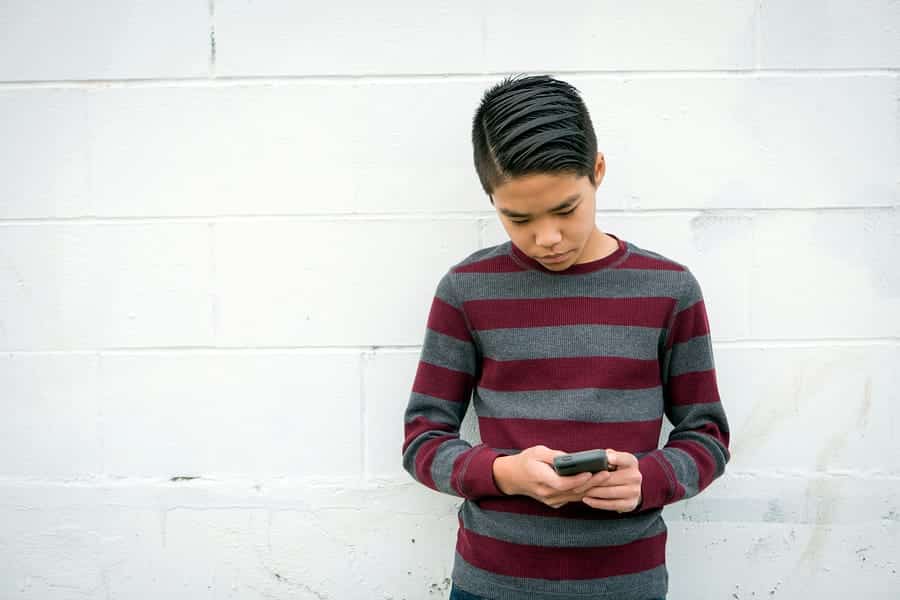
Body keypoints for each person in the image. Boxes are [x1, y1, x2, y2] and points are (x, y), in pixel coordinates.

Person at [401, 73, 730, 600]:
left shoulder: (670, 289)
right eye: (519, 218)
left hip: (626, 585)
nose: (547, 238)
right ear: (491, 199)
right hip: (492, 584)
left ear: (597, 171)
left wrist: (650, 479)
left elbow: (707, 435)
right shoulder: (465, 290)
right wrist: (506, 473)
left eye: (565, 209)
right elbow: (423, 439)